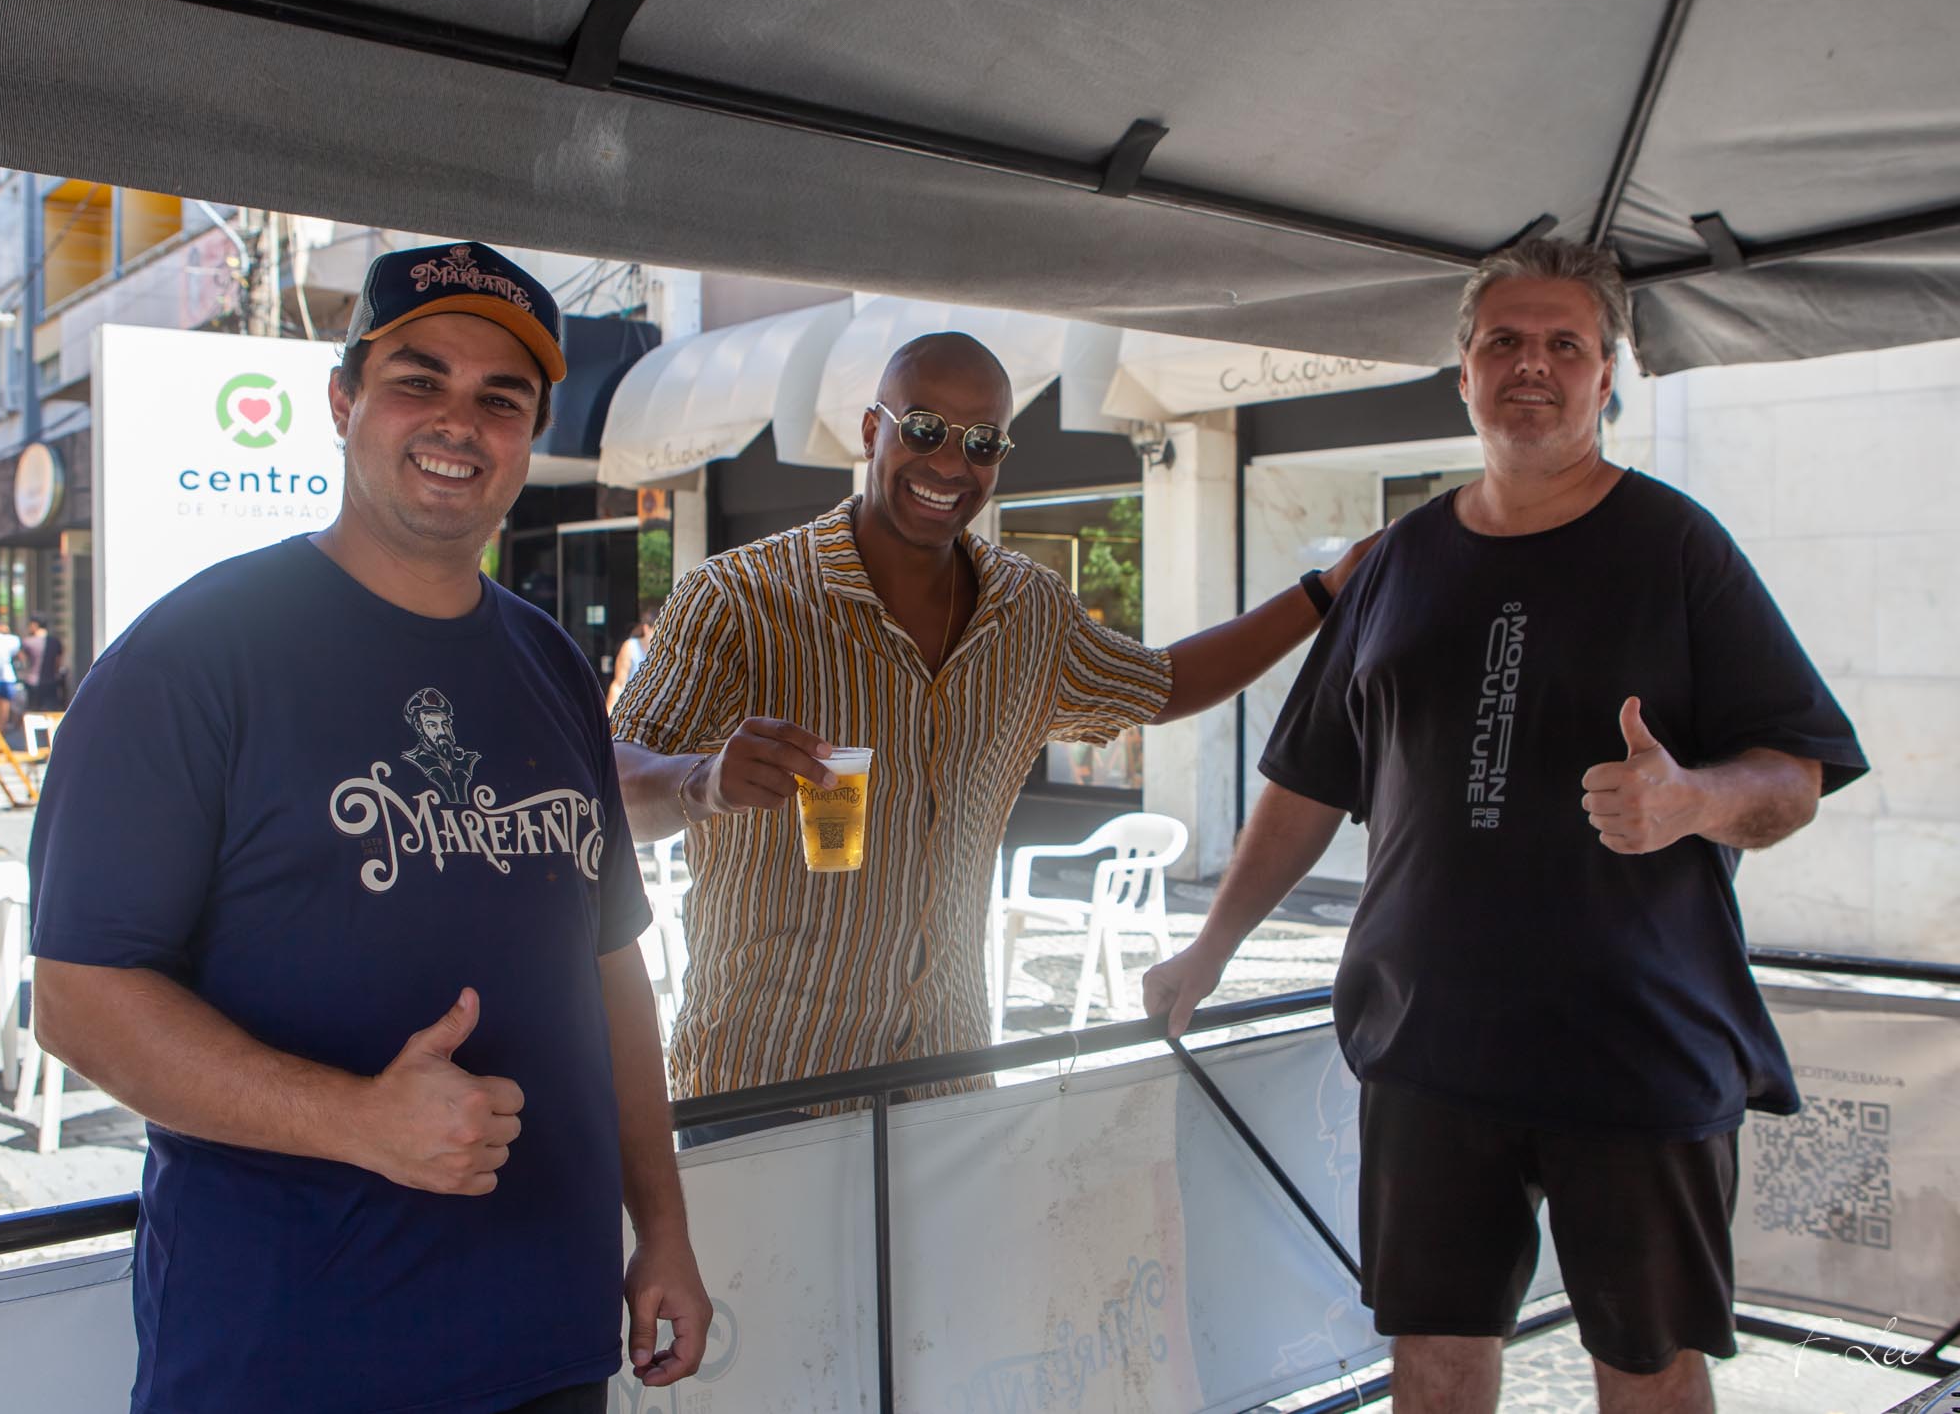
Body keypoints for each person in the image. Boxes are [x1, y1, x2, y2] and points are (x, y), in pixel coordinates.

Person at [1145, 238, 1868, 1414]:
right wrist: (1209, 946)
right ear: (1463, 374)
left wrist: (1691, 800)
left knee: (1647, 1366)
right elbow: (1306, 779)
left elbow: (1794, 772)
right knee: (1430, 1362)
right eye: (1503, 341)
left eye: (1563, 344)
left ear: (1604, 378)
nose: (1531, 363)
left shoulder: (1676, 545)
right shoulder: (1395, 560)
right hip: (1428, 1046)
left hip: (1636, 1045)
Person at [29, 241, 710, 1414]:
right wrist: (353, 1118)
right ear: (342, 399)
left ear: (531, 435)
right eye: (418, 380)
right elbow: (79, 997)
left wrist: (662, 1224)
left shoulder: (550, 662)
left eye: (500, 398)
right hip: (289, 1354)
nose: (458, 422)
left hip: (545, 1335)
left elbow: (608, 966)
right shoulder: (195, 655)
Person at [611, 329, 1376, 1138]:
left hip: (948, 1087)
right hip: (766, 1091)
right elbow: (610, 780)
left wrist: (1325, 593)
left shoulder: (1029, 610)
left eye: (981, 442)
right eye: (924, 429)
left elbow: (1166, 683)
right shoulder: (739, 598)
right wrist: (702, 783)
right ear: (871, 431)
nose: (950, 464)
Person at [606, 597, 663, 712]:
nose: (661, 636)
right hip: (631, 712)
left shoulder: (664, 652)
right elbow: (619, 685)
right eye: (658, 631)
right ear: (646, 629)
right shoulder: (631, 647)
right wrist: (608, 716)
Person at [22, 613, 66, 711]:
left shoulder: (28, 642)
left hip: (32, 681)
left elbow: (23, 660)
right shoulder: (55, 642)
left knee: (33, 712)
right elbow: (58, 662)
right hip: (51, 682)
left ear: (35, 625)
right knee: (50, 711)